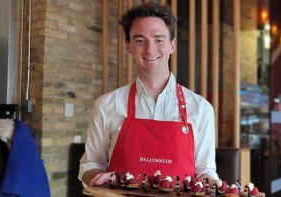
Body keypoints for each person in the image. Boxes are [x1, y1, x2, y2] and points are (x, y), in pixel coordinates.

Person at [78, 2, 219, 188]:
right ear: (128, 46)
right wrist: (98, 178)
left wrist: (219, 187)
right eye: (140, 40)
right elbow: (91, 164)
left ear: (172, 45)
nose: (150, 49)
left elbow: (205, 170)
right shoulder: (106, 105)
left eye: (158, 40)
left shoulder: (201, 109)